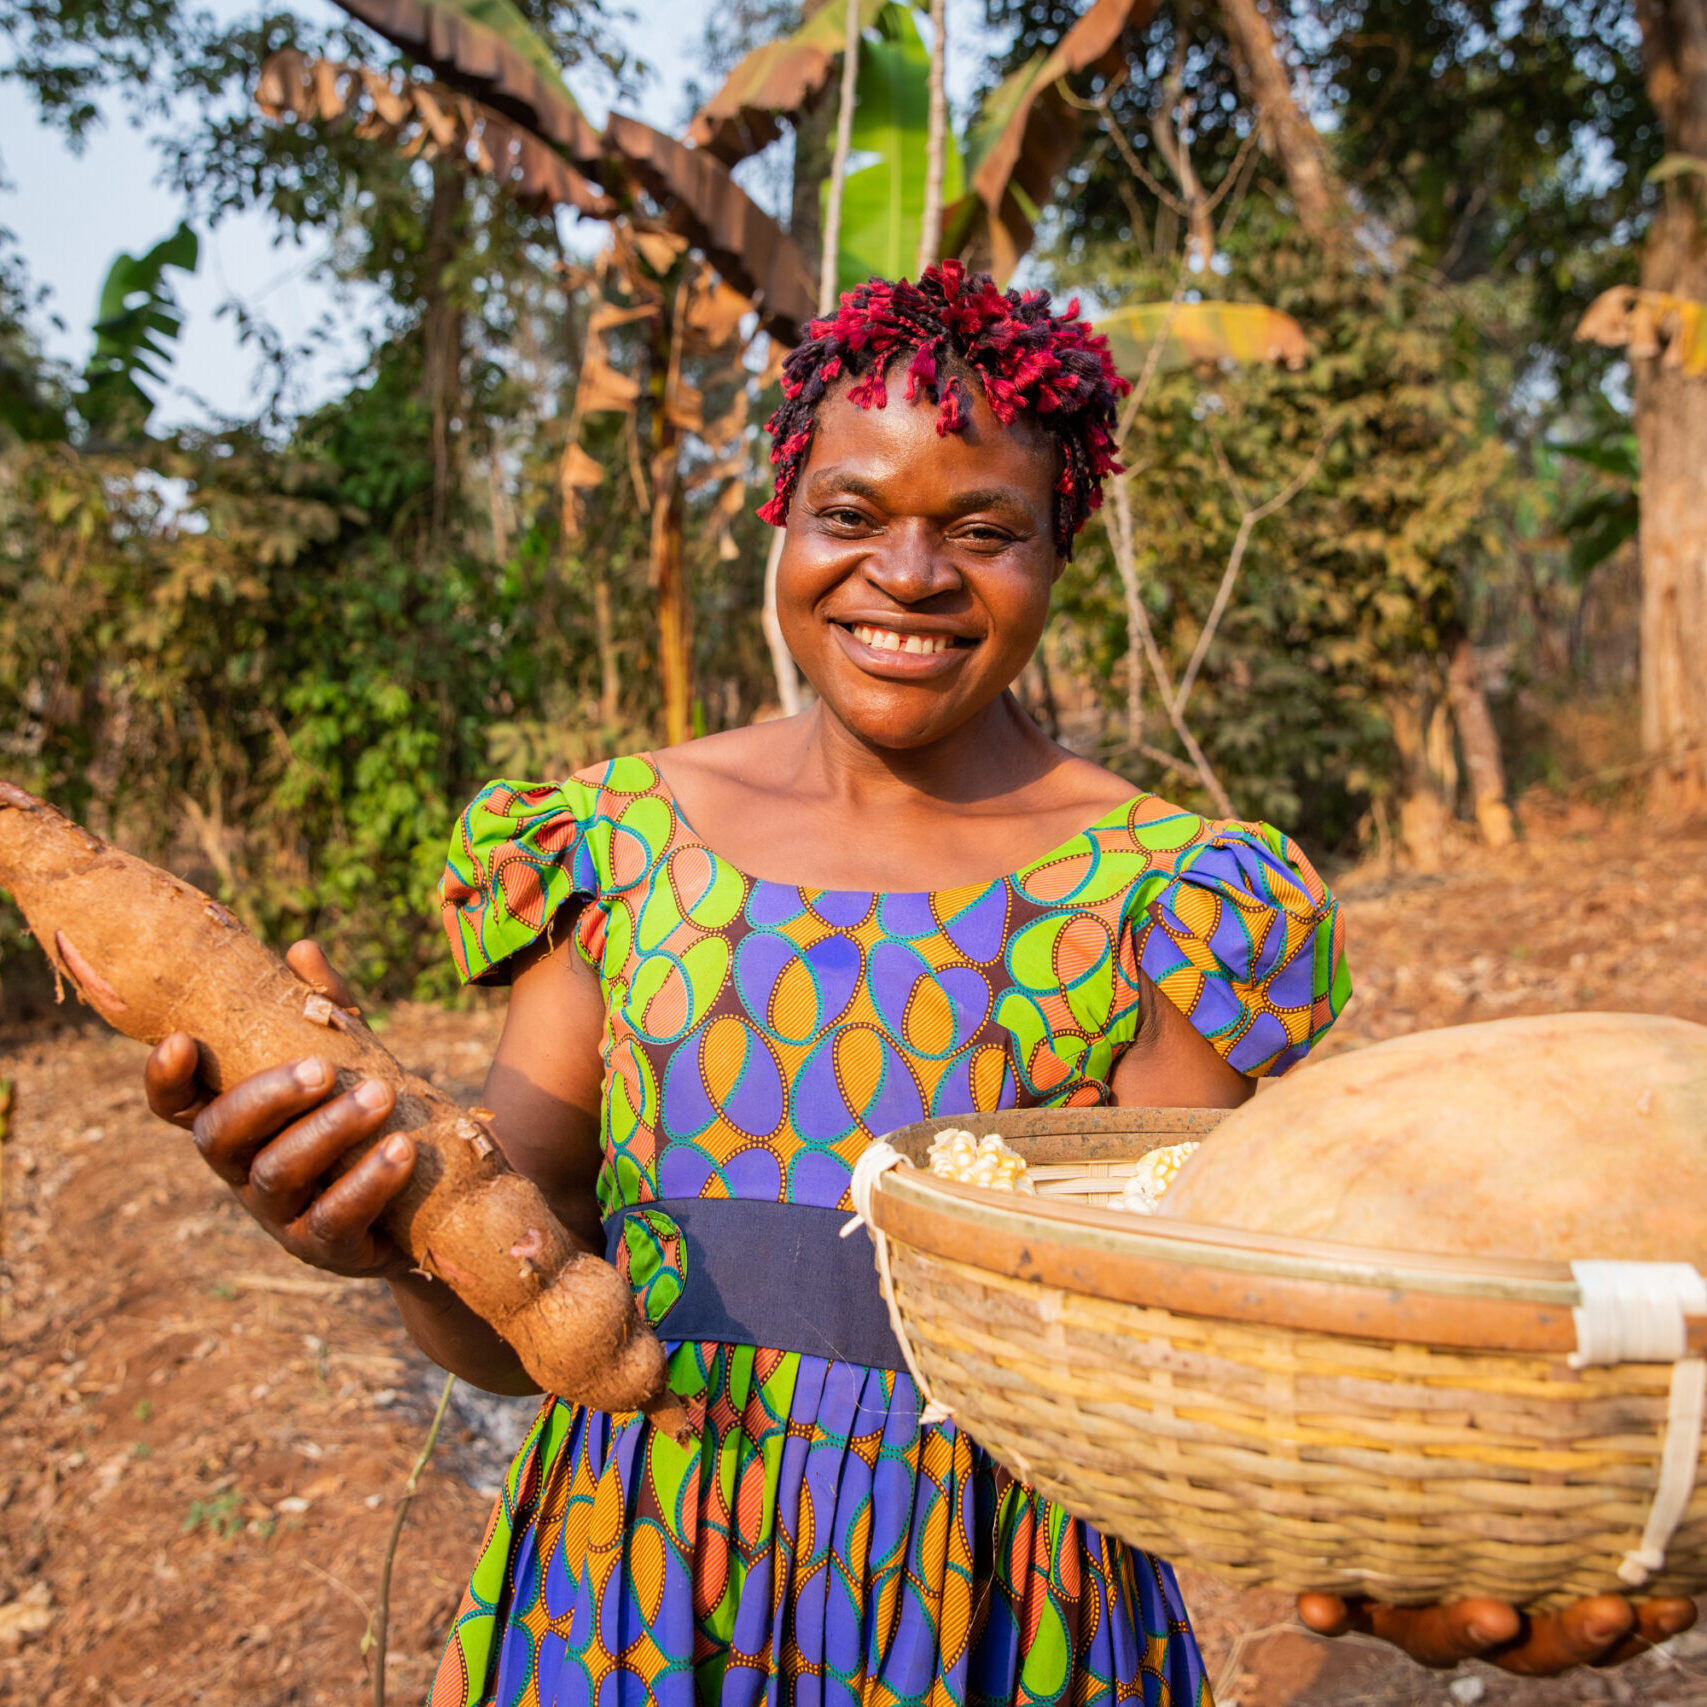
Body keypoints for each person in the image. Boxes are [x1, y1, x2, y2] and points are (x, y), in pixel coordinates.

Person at [145, 264, 1693, 1705]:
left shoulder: (1164, 901)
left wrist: (1419, 1551)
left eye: (982, 527)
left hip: (1006, 1615)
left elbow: (1209, 1357)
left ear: (1055, 549)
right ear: (783, 521)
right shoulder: (617, 848)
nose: (906, 571)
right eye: (852, 510)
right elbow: (522, 1306)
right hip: (627, 1589)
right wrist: (387, 1237)